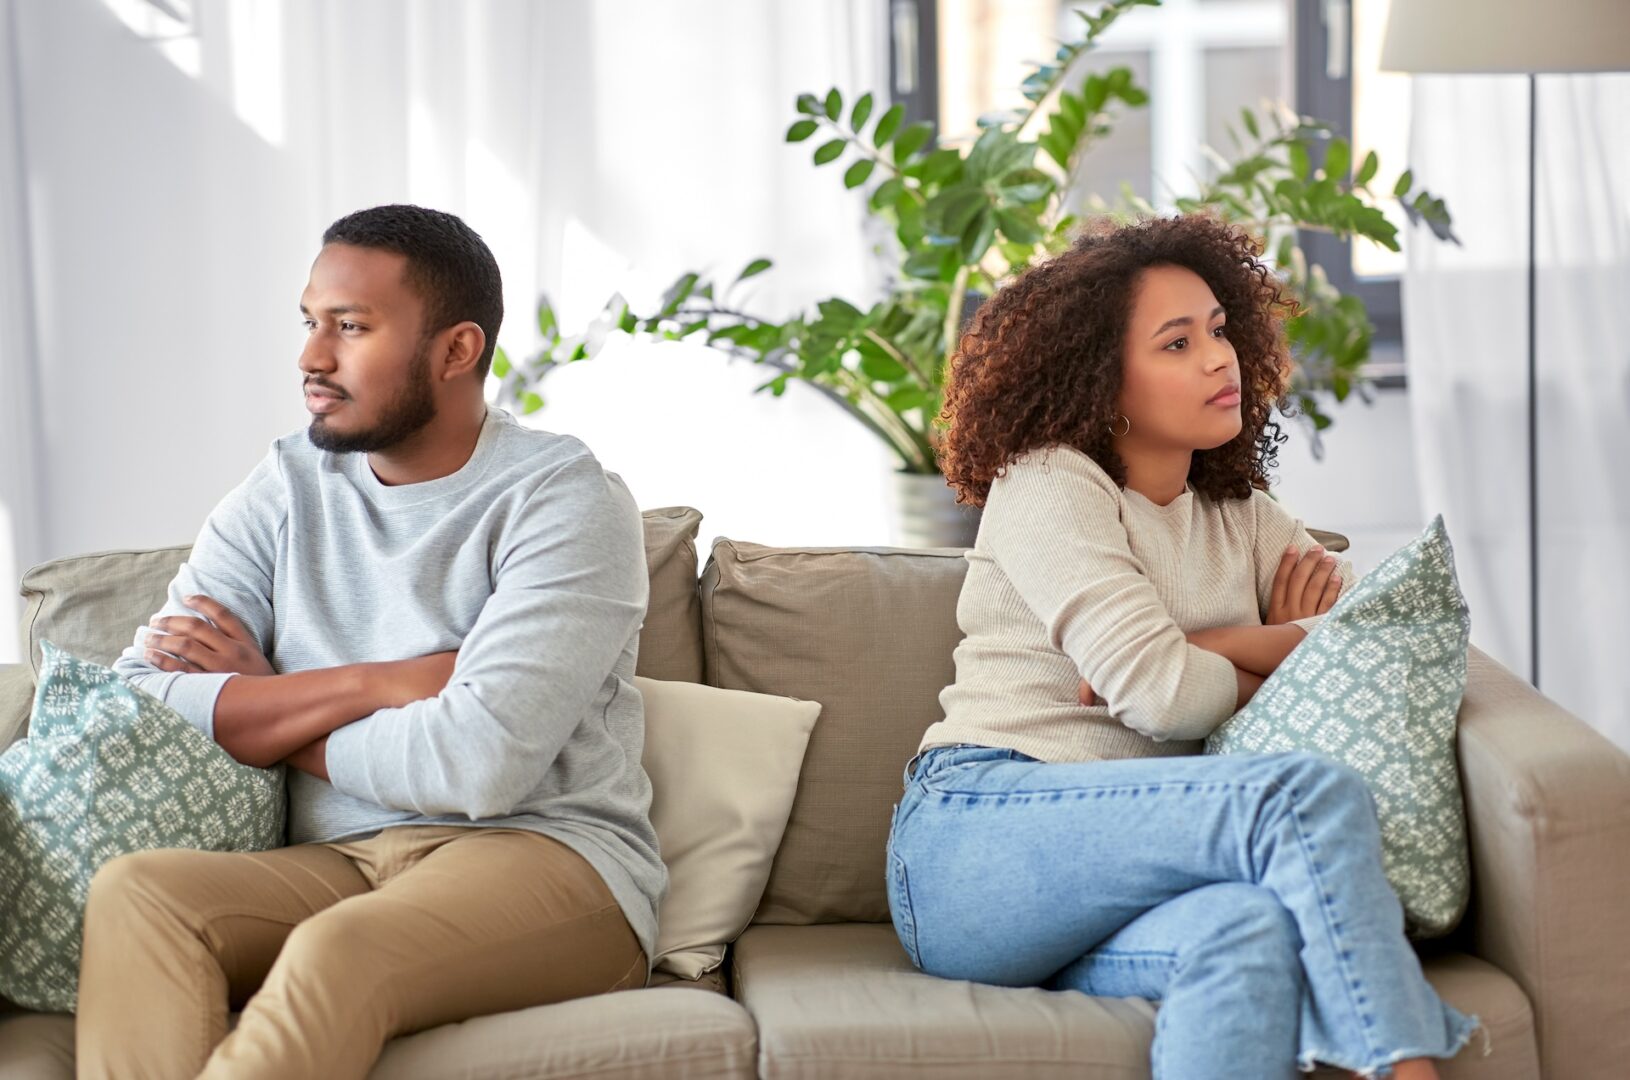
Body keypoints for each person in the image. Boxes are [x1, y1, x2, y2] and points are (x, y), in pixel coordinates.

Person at [887, 214, 1478, 1079]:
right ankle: (1406, 1068)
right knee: (1298, 797)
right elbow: (1164, 699)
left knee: (1249, 931)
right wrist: (1261, 655)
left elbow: (1375, 638)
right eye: (1175, 343)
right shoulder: (1051, 481)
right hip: (976, 838)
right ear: (1103, 381)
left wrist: (1214, 640)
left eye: (1219, 330)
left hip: (1125, 877)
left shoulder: (1240, 516)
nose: (1218, 358)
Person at [79, 204, 663, 1079]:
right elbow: (146, 698)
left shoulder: (563, 500)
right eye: (311, 323)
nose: (312, 358)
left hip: (547, 862)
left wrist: (268, 702)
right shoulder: (283, 486)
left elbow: (477, 767)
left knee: (337, 952)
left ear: (456, 350)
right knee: (138, 894)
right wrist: (378, 683)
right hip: (332, 861)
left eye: (351, 328)